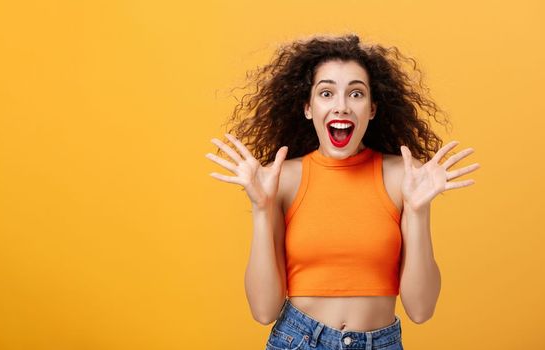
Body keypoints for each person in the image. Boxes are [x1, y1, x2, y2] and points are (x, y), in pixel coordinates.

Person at [205, 34, 480, 350]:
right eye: (326, 93)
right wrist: (261, 208)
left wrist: (417, 212)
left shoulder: (404, 176)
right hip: (297, 340)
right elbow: (263, 311)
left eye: (356, 94)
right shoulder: (281, 179)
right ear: (309, 108)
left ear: (372, 109)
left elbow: (421, 310)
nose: (341, 106)